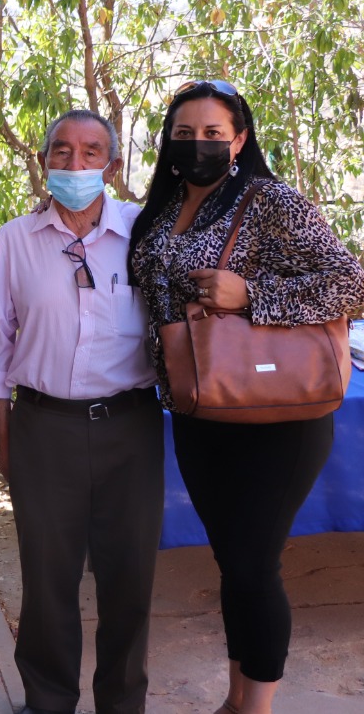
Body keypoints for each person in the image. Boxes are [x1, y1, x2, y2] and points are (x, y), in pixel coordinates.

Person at [128, 79, 364, 714]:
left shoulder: (269, 201)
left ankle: (255, 707)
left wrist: (251, 294)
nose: (197, 144)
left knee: (255, 564)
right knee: (233, 561)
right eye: (184, 133)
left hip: (277, 415)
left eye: (213, 133)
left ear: (239, 140)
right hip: (202, 408)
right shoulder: (164, 207)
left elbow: (352, 284)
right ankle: (235, 700)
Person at [0, 109, 162, 714]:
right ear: (44, 160)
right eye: (61, 151)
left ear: (112, 165)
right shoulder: (15, 239)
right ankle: (48, 699)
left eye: (90, 152)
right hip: (43, 427)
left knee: (129, 579)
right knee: (47, 579)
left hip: (130, 428)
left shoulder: (144, 232)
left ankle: (122, 702)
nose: (75, 163)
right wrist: (6, 440)